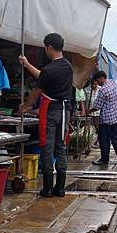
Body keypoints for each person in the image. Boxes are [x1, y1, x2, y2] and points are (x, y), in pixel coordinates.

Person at [19, 33, 71, 198]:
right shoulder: (68, 67)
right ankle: (60, 188)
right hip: (64, 110)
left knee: (47, 147)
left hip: (50, 111)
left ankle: (48, 188)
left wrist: (26, 106)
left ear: (49, 47)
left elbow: (37, 90)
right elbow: (44, 76)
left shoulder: (49, 69)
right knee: (61, 146)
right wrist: (27, 65)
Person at [89, 71, 117, 167]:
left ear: (102, 78)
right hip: (115, 117)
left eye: (98, 80)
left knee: (104, 141)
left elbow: (98, 105)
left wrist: (89, 111)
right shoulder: (113, 83)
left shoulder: (103, 90)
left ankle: (104, 159)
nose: (98, 83)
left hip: (106, 119)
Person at [86, 80, 101, 149]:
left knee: (98, 128)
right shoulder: (86, 90)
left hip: (98, 113)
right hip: (89, 113)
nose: (94, 86)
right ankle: (90, 143)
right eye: (93, 84)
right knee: (90, 129)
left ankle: (98, 142)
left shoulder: (100, 89)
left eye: (96, 84)